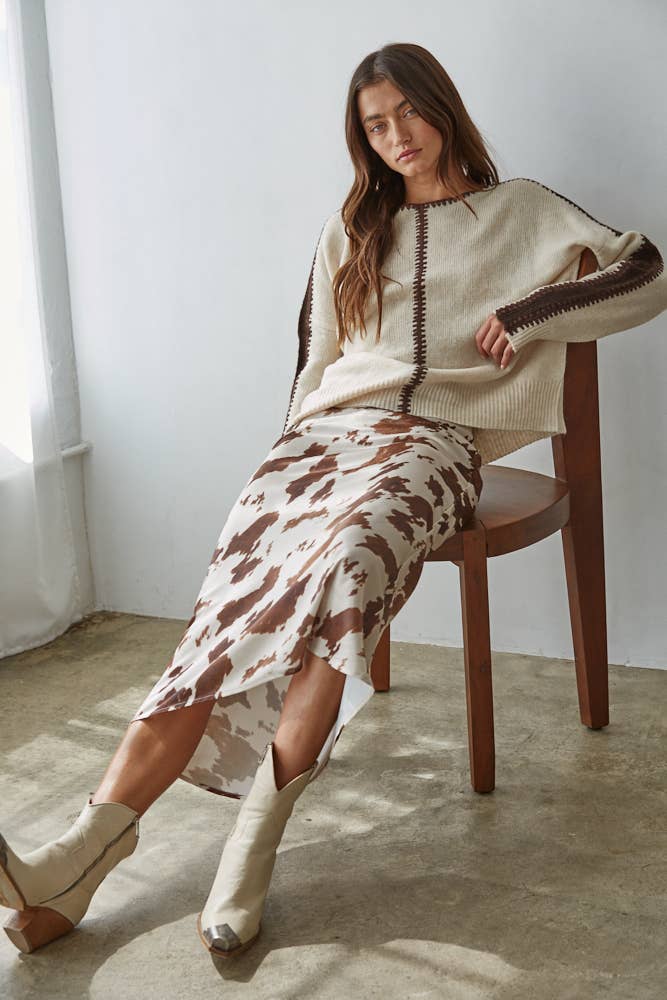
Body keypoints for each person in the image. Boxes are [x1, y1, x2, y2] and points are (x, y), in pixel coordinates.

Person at [2, 41, 666, 961]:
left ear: (443, 106)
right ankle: (81, 850)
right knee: (223, 618)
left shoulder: (522, 208)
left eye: (407, 113)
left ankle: (253, 843)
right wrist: (285, 464)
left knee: (349, 567)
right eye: (373, 124)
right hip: (322, 444)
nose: (396, 137)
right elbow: (313, 362)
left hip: (433, 448)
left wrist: (526, 315)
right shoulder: (352, 225)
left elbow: (645, 271)